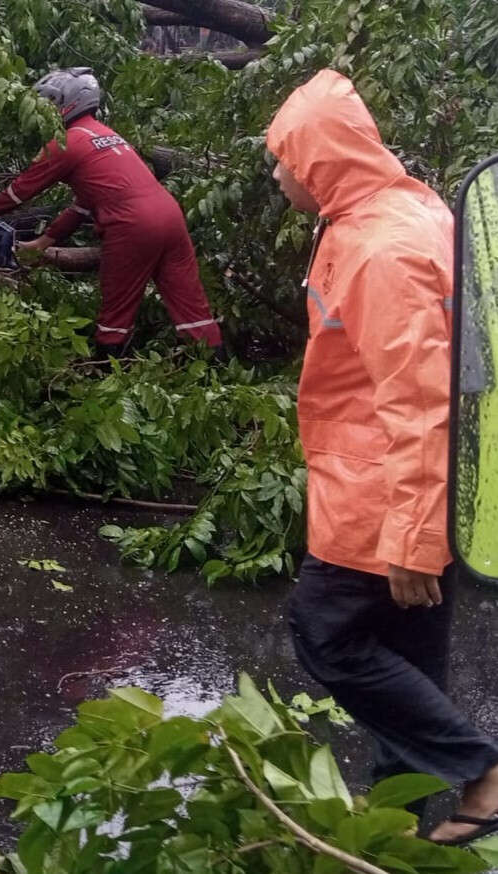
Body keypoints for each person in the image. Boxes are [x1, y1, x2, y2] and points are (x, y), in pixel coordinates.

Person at [269, 68, 498, 845]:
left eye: (283, 159)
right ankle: (396, 830)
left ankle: (483, 772)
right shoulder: (399, 207)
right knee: (408, 663)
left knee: (324, 632)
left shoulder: (380, 251)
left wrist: (411, 536)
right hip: (394, 483)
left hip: (381, 493)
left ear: (318, 163)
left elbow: (420, 399)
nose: (276, 175)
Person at [0, 67, 222, 357]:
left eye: (50, 103)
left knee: (116, 314)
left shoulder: (67, 142)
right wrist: (44, 242)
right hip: (170, 216)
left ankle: (106, 379)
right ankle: (218, 378)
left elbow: (22, 189)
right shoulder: (106, 135)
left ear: (66, 102)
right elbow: (83, 204)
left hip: (132, 225)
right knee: (193, 309)